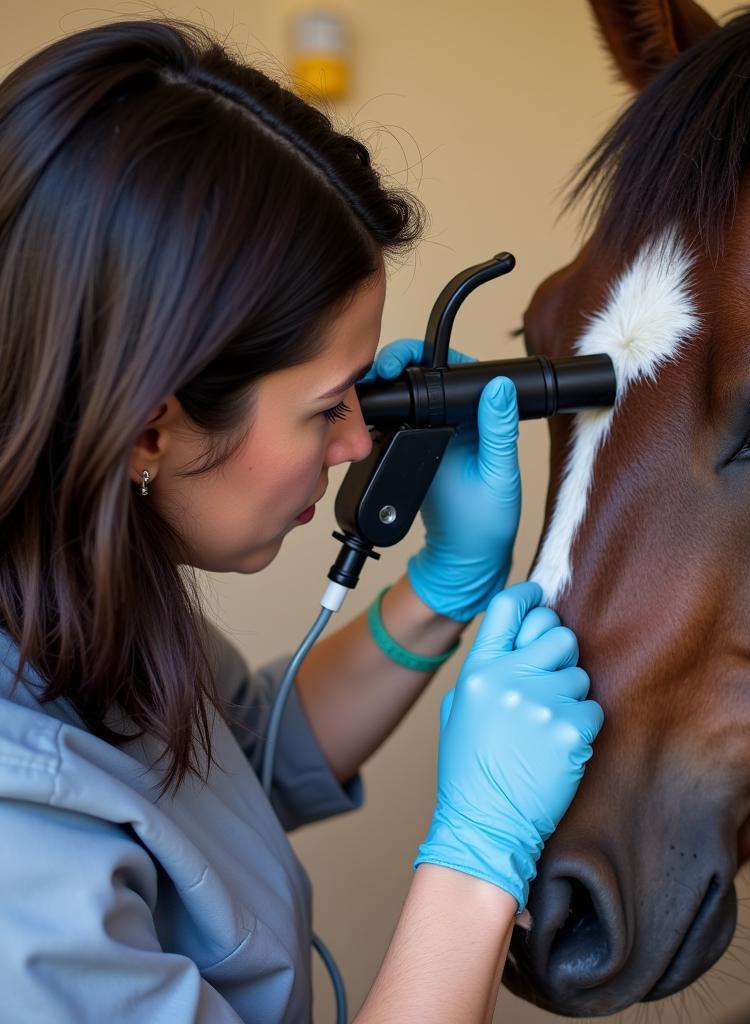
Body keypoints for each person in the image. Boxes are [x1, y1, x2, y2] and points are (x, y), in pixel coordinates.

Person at [0, 18, 604, 1024]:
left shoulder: (67, 577)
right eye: (326, 408)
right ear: (153, 424)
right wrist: (476, 854)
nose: (358, 443)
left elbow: (241, 757)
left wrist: (440, 589)